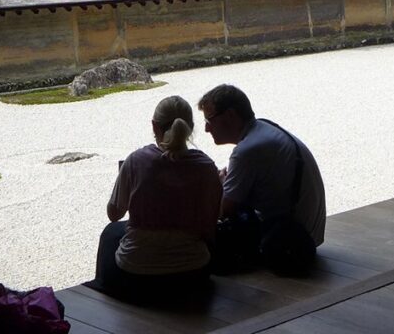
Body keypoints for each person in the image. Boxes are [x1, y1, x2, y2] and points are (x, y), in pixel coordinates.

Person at [91, 95, 221, 302]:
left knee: (111, 232)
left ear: (154, 126)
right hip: (192, 273)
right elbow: (210, 224)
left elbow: (114, 213)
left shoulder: (136, 161)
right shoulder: (206, 167)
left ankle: (103, 289)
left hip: (136, 274)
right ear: (191, 127)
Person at [198, 84, 326, 273]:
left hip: (289, 241)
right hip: (306, 232)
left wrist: (219, 185)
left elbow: (224, 210)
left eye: (210, 119)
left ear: (230, 115)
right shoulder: (264, 128)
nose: (206, 128)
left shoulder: (246, 151)